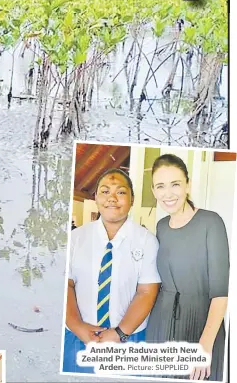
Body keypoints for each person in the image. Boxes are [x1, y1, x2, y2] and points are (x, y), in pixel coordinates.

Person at [63, 168, 161, 373]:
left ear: (132, 199)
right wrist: (77, 326)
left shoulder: (146, 240)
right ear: (96, 197)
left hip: (128, 340)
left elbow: (146, 291)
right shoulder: (76, 238)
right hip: (78, 337)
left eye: (121, 192)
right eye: (105, 191)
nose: (112, 198)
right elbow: (67, 284)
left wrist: (119, 333)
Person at [145, 154, 229, 381]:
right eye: (160, 186)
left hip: (201, 326)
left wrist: (205, 344)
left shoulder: (211, 222)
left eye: (175, 184)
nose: (168, 193)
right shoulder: (161, 226)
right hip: (161, 323)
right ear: (154, 191)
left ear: (187, 185)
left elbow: (221, 293)